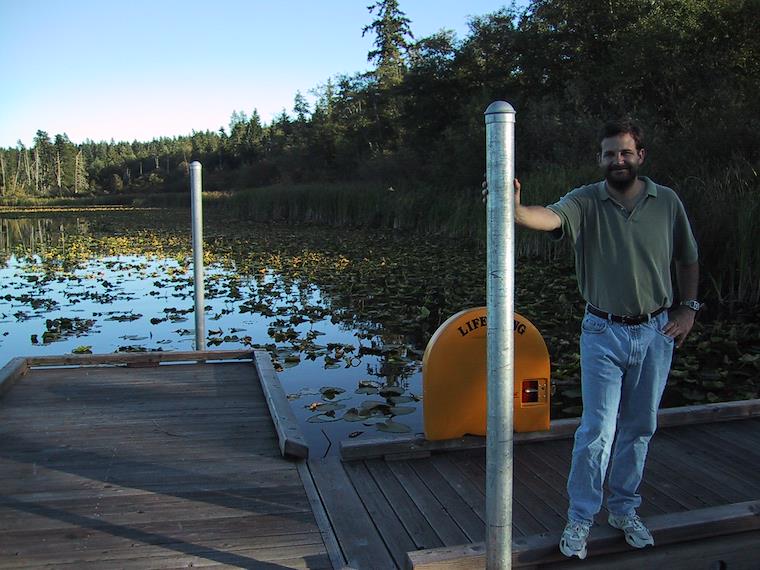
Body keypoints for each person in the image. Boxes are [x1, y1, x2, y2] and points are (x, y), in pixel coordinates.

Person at [489, 119, 700, 559]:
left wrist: (688, 308)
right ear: (600, 159)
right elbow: (547, 217)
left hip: (656, 331)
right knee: (597, 430)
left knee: (640, 427)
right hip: (602, 331)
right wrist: (515, 208)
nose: (617, 160)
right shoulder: (585, 200)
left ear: (640, 156)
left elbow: (687, 257)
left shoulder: (667, 201)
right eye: (609, 154)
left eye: (625, 152)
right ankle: (581, 517)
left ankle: (624, 509)